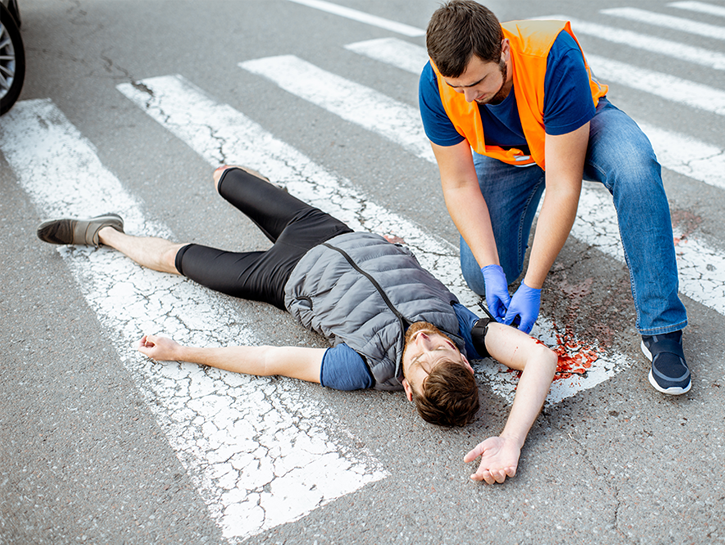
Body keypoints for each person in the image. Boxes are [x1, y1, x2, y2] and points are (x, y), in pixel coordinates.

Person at [37, 165, 556, 484]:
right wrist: (510, 439)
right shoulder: (468, 329)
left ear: (406, 392)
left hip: (283, 275)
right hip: (327, 231)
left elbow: (270, 361)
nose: (421, 343)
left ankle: (104, 234)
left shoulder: (361, 368)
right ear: (463, 356)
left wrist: (183, 351)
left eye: (416, 363)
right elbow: (539, 357)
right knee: (226, 176)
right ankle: (261, 191)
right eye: (436, 349)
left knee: (182, 259)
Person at [419, 0, 690, 395]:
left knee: (636, 169)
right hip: (510, 155)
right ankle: (508, 258)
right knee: (480, 274)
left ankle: (662, 327)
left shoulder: (553, 56)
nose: (467, 97)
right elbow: (459, 184)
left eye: (478, 84)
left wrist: (533, 285)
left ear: (504, 53)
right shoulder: (436, 82)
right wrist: (495, 270)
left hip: (575, 126)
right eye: (457, 87)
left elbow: (564, 182)